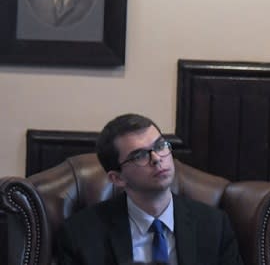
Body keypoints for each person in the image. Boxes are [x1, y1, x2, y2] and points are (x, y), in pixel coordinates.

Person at [55, 113, 242, 265]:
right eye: (139, 156)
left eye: (160, 146)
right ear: (117, 178)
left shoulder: (213, 226)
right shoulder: (81, 233)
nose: (157, 159)